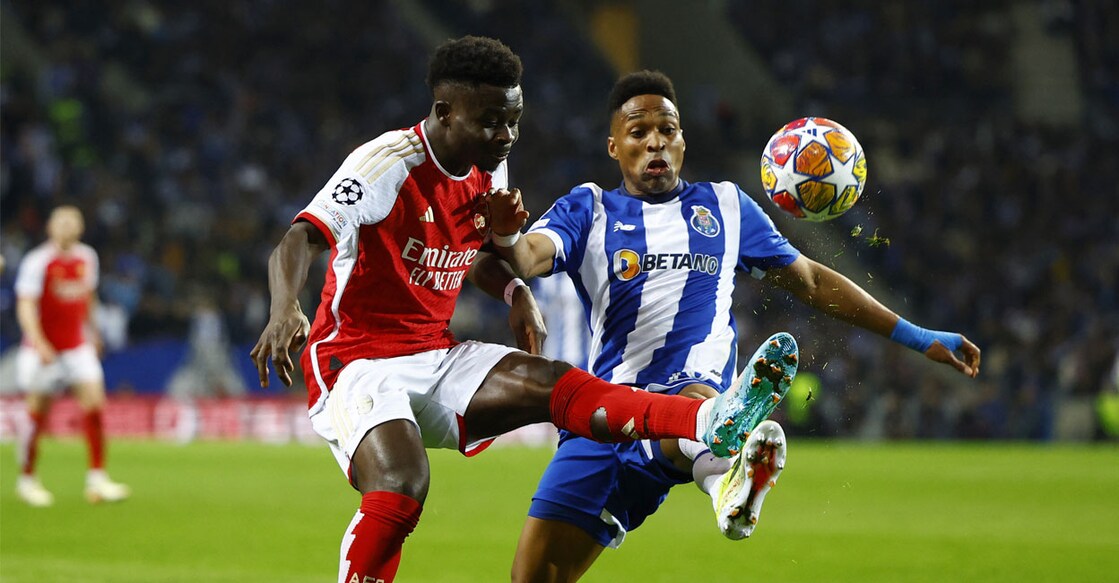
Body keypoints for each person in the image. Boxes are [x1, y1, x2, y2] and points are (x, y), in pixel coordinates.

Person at [249, 37, 786, 583]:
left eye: (514, 121)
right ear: (444, 113)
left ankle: (707, 420)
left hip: (433, 351)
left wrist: (515, 293)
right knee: (404, 484)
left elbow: (474, 253)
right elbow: (298, 238)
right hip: (354, 359)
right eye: (490, 122)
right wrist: (285, 306)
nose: (506, 136)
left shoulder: (490, 165)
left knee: (554, 383)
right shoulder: (385, 164)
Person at [486, 70, 982, 582]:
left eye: (668, 129)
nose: (655, 140)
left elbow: (810, 280)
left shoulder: (724, 206)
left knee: (696, 403)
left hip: (687, 400)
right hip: (601, 417)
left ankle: (723, 463)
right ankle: (722, 467)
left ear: (682, 141)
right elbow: (524, 257)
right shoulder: (588, 208)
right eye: (638, 132)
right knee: (533, 578)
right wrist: (505, 230)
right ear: (615, 147)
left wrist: (917, 337)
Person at [13, 205, 131, 507]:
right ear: (50, 227)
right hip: (44, 350)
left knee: (95, 405)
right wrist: (39, 343)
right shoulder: (37, 261)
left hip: (77, 346)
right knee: (38, 413)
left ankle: (97, 479)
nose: (66, 226)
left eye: (72, 221)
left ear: (80, 227)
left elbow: (87, 298)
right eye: (61, 221)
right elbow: (26, 307)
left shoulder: (87, 257)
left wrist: (94, 331)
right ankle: (27, 479)